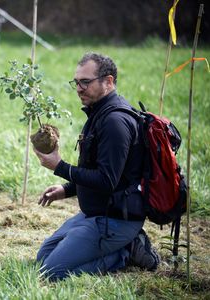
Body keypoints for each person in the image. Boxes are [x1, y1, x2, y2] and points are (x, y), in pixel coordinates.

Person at [33, 52, 160, 281]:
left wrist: (59, 166)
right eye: (77, 82)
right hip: (94, 214)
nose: (79, 88)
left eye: (86, 82)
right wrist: (67, 189)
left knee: (50, 272)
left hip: (116, 219)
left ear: (108, 81)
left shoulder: (114, 122)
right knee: (42, 258)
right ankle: (116, 247)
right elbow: (100, 169)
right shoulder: (98, 113)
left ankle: (125, 252)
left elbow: (107, 180)